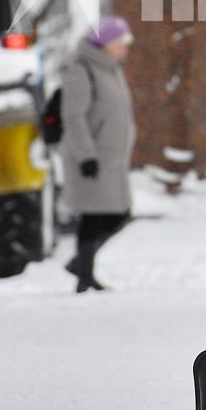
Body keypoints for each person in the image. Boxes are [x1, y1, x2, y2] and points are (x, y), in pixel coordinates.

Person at [58, 16, 138, 293]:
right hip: (92, 157)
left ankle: (81, 265)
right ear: (103, 44)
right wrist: (86, 155)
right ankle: (84, 274)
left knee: (118, 213)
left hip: (112, 158)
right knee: (94, 216)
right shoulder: (81, 70)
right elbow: (74, 116)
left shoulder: (110, 68)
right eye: (120, 43)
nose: (125, 48)